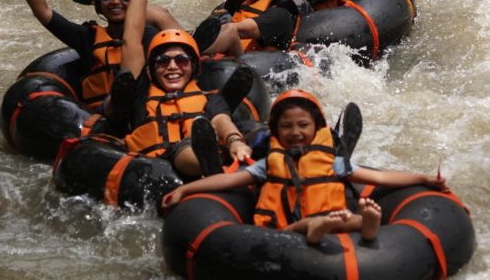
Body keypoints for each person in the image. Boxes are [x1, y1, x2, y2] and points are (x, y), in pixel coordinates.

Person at [161, 90, 449, 243]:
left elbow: (379, 177)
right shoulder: (267, 165)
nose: (295, 132)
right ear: (276, 131)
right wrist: (186, 191)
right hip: (284, 231)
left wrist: (423, 178)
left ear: (316, 129)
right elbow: (226, 182)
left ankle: (368, 225)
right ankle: (319, 227)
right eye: (286, 126)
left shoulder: (332, 163)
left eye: (303, 125)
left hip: (330, 218)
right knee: (313, 224)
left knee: (347, 218)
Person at [113, 0, 253, 178]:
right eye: (162, 61)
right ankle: (209, 163)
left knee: (208, 124)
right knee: (184, 150)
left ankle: (217, 160)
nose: (172, 66)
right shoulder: (141, 90)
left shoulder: (207, 96)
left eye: (181, 60)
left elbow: (221, 121)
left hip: (198, 143)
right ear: (150, 69)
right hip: (159, 161)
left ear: (193, 66)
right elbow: (131, 39)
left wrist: (235, 141)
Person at [12, 0, 182, 112]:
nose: (116, 1)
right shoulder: (87, 37)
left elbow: (184, 44)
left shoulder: (149, 35)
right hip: (102, 121)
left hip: (144, 117)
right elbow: (42, 11)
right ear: (98, 1)